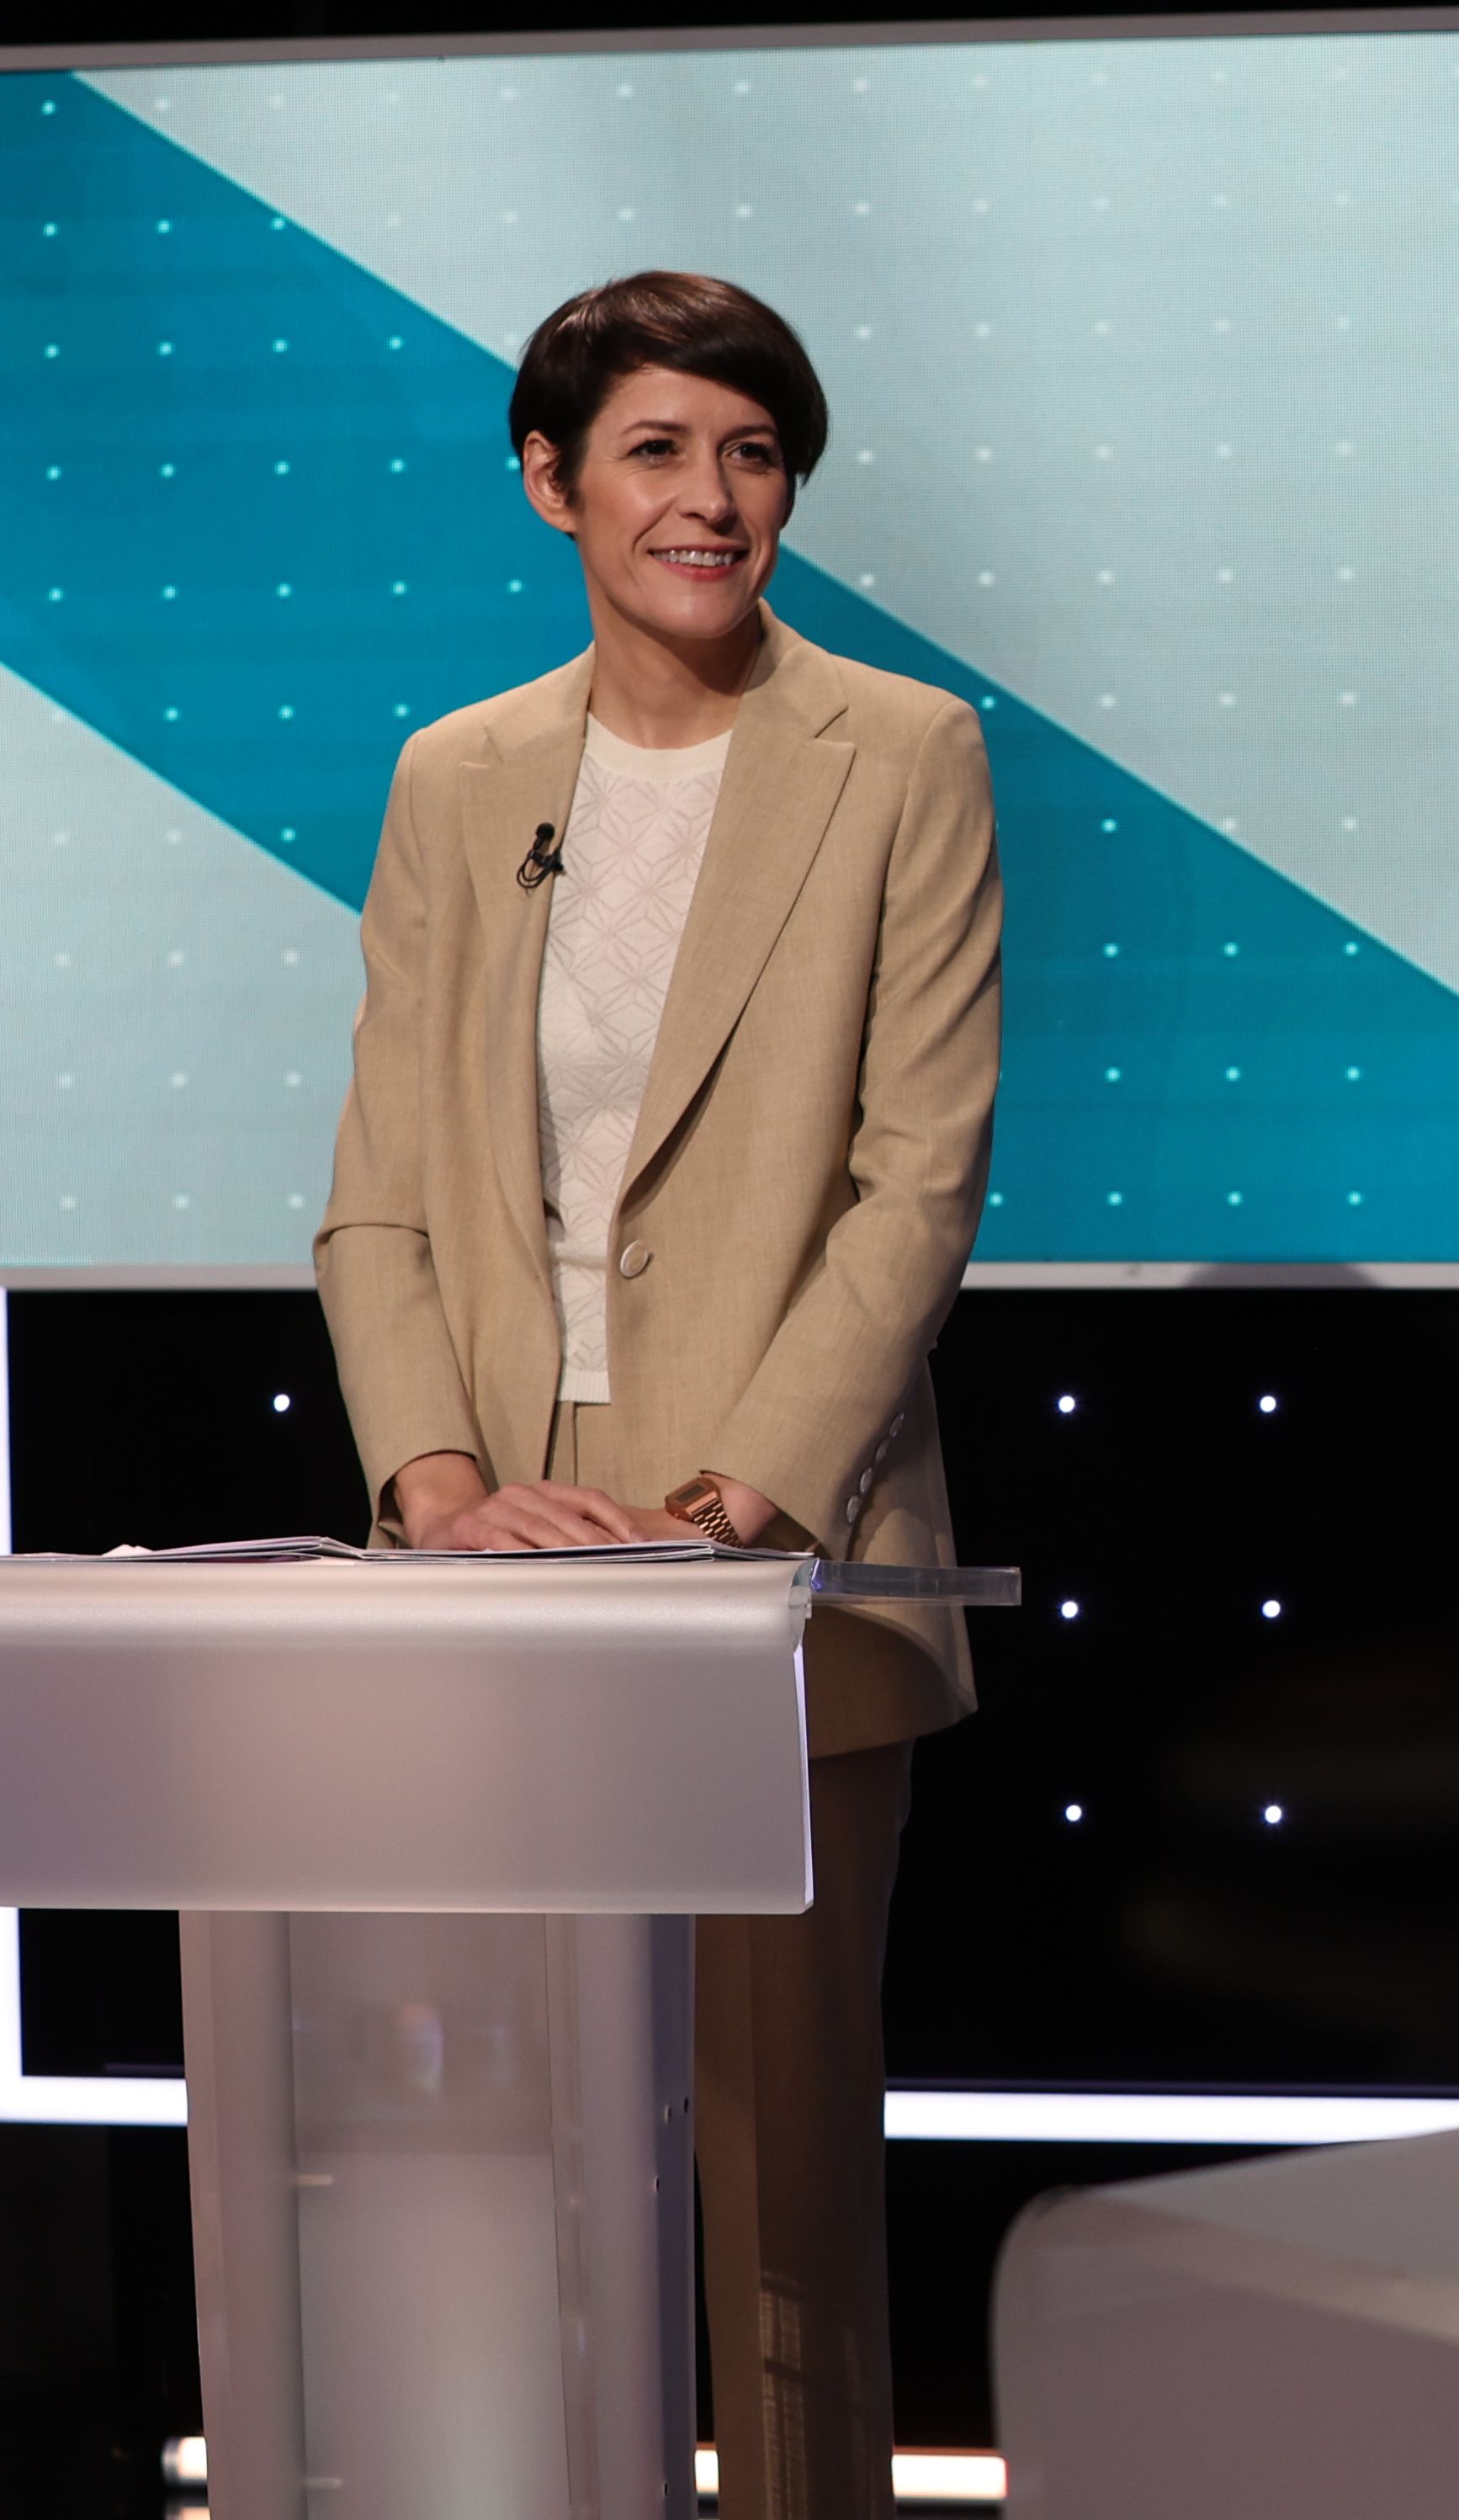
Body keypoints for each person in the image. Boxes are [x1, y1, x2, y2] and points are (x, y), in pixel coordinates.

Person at [316, 271, 1001, 2519]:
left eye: (754, 452)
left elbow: (916, 1180)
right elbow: (379, 1191)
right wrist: (440, 1490)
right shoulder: (456, 777)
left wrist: (729, 1512)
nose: (712, 498)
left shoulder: (901, 751)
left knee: (782, 2195)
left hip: (777, 1560)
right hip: (498, 1565)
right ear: (551, 482)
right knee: (497, 2175)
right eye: (657, 450)